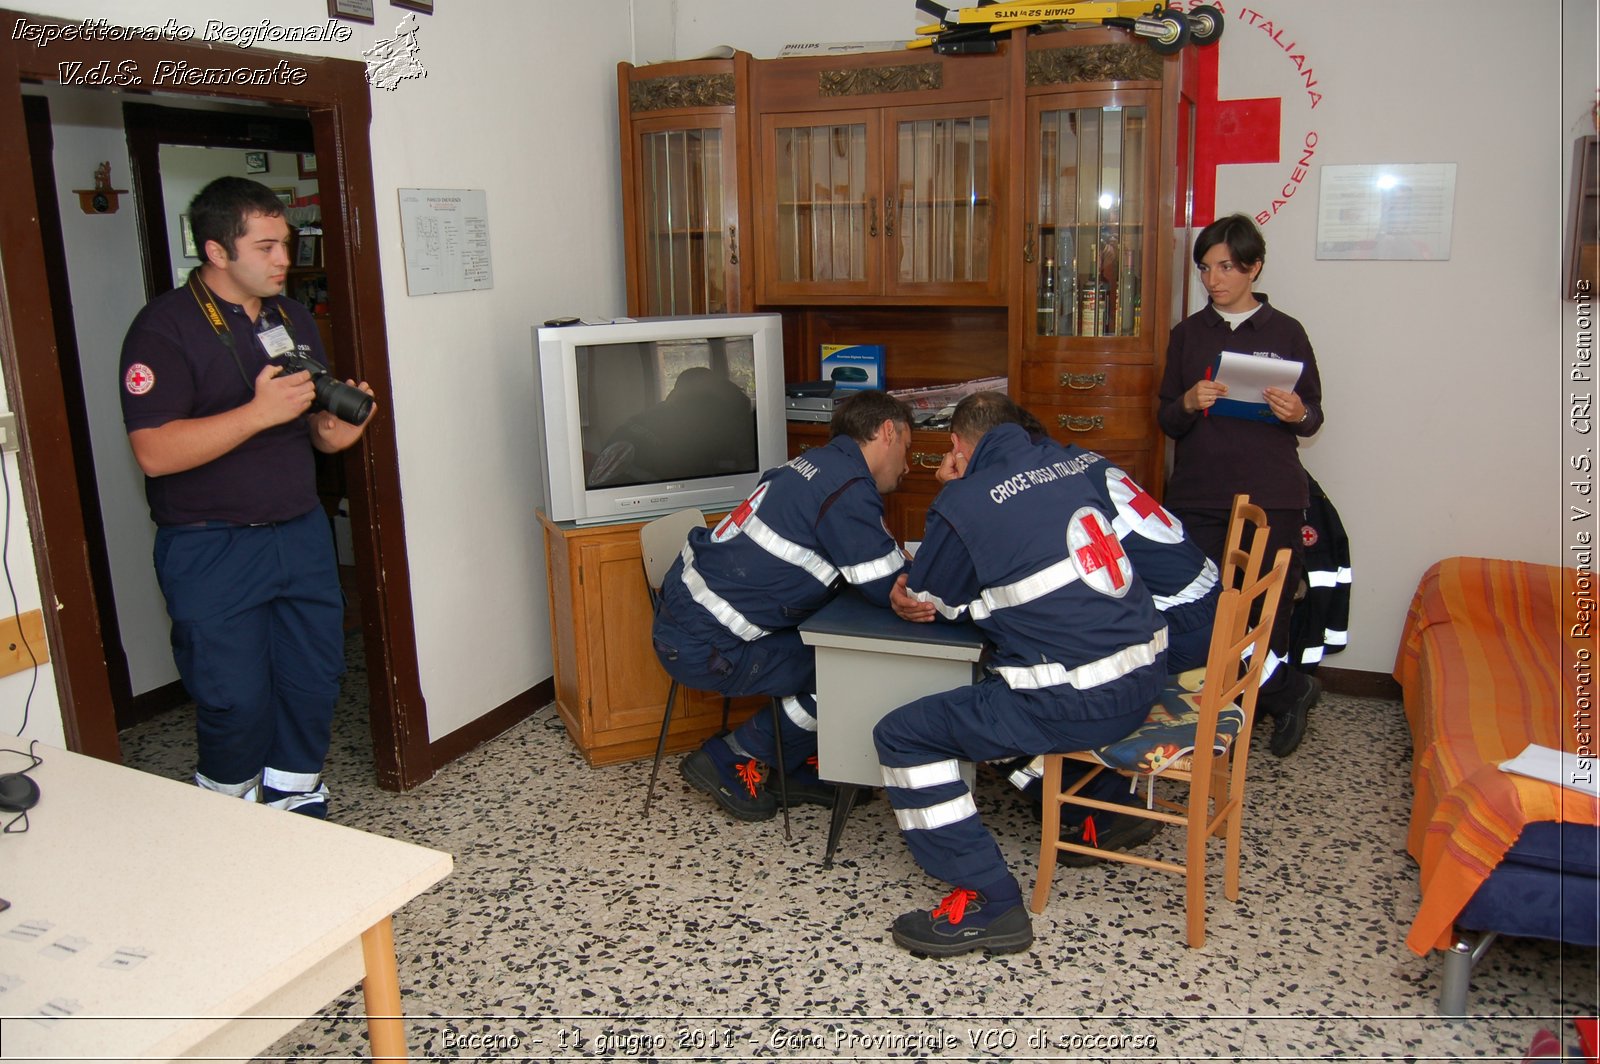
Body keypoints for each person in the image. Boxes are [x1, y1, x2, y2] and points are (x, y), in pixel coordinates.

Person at [874, 391, 1169, 957]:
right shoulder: (1070, 462)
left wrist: (953, 498)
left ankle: (992, 902)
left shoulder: (966, 503)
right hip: (1144, 674)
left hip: (1080, 700)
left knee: (903, 734)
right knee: (994, 683)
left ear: (957, 447)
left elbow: (926, 597)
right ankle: (1099, 808)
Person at [119, 177, 376, 819]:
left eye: (285, 244)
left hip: (298, 530)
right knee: (233, 695)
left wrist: (335, 432)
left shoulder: (291, 318)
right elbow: (153, 451)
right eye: (265, 246)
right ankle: (226, 807)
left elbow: (313, 431)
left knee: (314, 677)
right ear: (216, 250)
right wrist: (258, 413)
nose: (283, 259)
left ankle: (295, 793)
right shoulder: (164, 329)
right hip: (211, 543)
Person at [937, 395, 1218, 861]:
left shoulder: (1038, 486)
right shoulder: (1073, 462)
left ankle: (1099, 803)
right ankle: (1076, 788)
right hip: (1207, 606)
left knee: (1016, 676)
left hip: (1176, 636)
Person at [654, 389, 913, 822]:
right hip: (708, 647)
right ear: (887, 432)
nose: (906, 467)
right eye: (907, 449)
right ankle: (732, 756)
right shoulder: (847, 487)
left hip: (683, 619)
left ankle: (783, 764)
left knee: (830, 651)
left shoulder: (804, 465)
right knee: (846, 669)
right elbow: (891, 588)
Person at [1157, 212, 1324, 758]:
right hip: (1198, 493)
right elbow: (1166, 418)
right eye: (1206, 269)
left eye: (1226, 267)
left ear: (1253, 267)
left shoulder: (1287, 331)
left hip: (1269, 492)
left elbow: (1314, 417)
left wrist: (1297, 410)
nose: (1214, 280)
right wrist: (1187, 402)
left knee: (1262, 611)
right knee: (1199, 606)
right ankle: (1269, 694)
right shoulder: (1187, 335)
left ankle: (1265, 702)